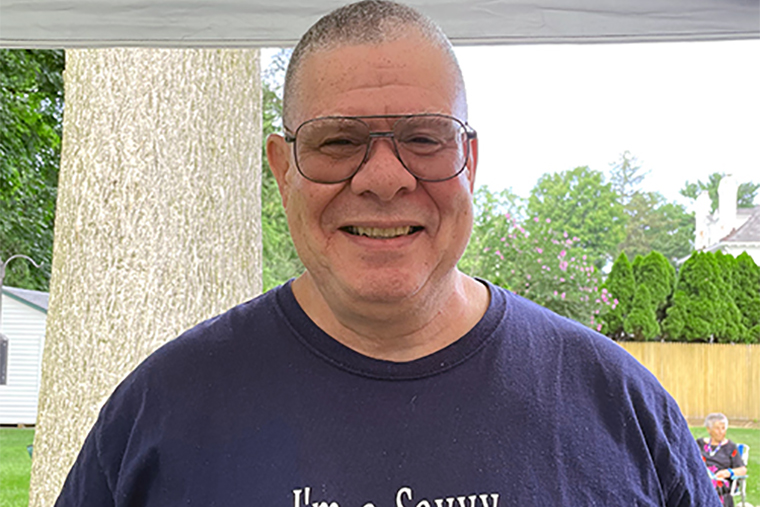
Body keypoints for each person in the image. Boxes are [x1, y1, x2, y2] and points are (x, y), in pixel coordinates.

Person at [55, 1, 720, 505]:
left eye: (425, 139)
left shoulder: (619, 405)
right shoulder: (162, 411)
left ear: (470, 160)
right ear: (283, 169)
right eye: (338, 140)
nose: (383, 177)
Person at [696, 413, 748, 506]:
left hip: (721, 481)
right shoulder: (700, 444)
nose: (721, 431)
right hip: (701, 476)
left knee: (710, 484)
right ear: (709, 429)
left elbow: (742, 470)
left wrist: (727, 473)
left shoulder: (730, 447)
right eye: (717, 428)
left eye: (723, 428)